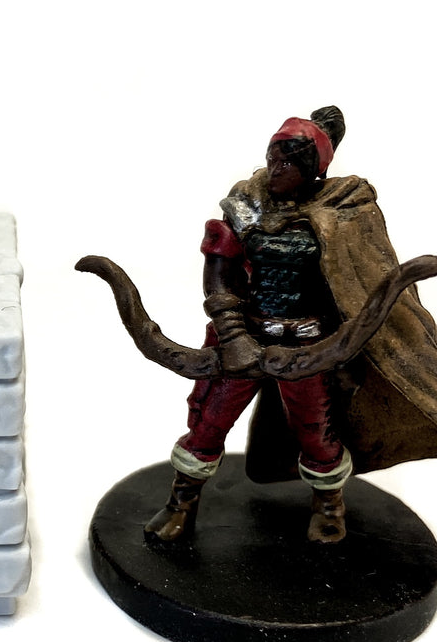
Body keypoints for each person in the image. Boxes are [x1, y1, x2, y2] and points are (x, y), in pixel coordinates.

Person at [146, 106, 437, 543]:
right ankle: (181, 502)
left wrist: (342, 348)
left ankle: (329, 505)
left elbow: (353, 280)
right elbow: (220, 275)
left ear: (312, 170)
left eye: (287, 163)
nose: (275, 170)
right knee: (208, 421)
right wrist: (233, 334)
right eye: (272, 159)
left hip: (308, 346)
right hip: (243, 339)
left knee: (317, 431)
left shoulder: (344, 208)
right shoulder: (247, 203)